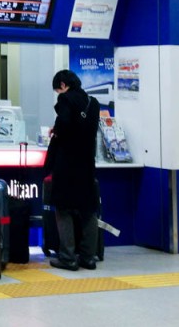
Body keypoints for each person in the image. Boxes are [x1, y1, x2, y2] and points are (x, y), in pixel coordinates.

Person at [44, 69, 101, 271]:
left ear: (62, 84)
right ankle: (88, 257)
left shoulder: (66, 100)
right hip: (86, 163)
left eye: (57, 89)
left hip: (67, 163)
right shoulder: (92, 102)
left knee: (63, 209)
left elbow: (65, 125)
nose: (58, 94)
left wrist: (56, 132)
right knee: (87, 210)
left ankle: (67, 257)